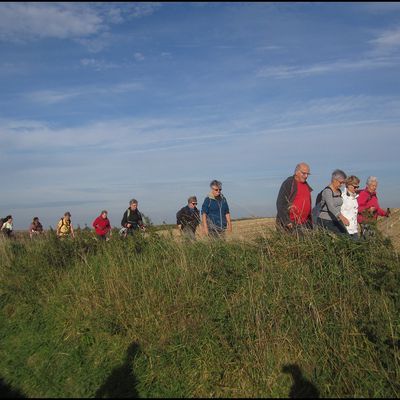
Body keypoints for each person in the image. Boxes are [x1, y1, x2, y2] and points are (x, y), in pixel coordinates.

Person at [276, 162, 313, 233]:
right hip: (291, 225)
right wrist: (287, 222)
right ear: (296, 172)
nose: (306, 176)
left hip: (304, 224)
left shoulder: (306, 185)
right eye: (304, 173)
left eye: (308, 174)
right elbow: (280, 203)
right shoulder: (288, 183)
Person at [316, 169, 349, 235]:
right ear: (334, 180)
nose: (342, 185)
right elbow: (331, 207)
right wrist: (342, 218)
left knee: (346, 237)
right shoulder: (327, 191)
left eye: (343, 183)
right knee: (343, 238)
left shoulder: (339, 191)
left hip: (336, 220)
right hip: (325, 220)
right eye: (341, 182)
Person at [340, 176, 360, 240]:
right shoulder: (342, 197)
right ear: (348, 185)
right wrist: (343, 219)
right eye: (355, 187)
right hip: (345, 230)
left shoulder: (355, 198)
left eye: (357, 187)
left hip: (354, 230)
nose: (356, 189)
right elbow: (337, 211)